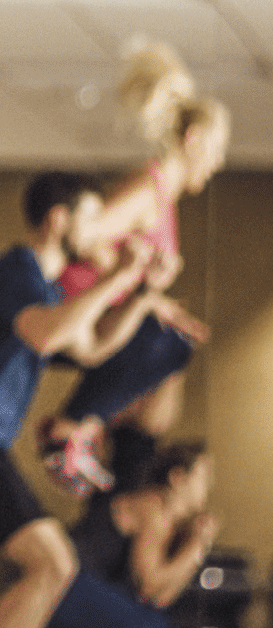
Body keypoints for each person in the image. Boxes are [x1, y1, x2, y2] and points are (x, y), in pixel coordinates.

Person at [0, 172, 167, 628]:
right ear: (58, 220)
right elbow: (46, 336)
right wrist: (116, 276)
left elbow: (90, 347)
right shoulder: (17, 270)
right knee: (53, 565)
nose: (99, 235)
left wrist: (141, 295)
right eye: (91, 220)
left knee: (54, 567)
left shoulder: (46, 289)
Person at [40, 43, 228, 489]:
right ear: (194, 139)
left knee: (174, 340)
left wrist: (152, 297)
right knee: (170, 341)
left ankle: (99, 441)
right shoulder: (149, 188)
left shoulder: (163, 195)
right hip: (70, 306)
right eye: (217, 149)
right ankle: (68, 428)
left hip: (103, 312)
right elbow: (86, 236)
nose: (219, 162)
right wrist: (137, 283)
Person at [44, 441, 219, 628]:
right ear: (177, 478)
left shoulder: (169, 523)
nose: (208, 486)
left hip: (80, 587)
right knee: (151, 627)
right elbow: (150, 586)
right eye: (202, 477)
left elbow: (161, 599)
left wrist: (196, 548)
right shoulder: (153, 507)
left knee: (155, 623)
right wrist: (195, 545)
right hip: (61, 582)